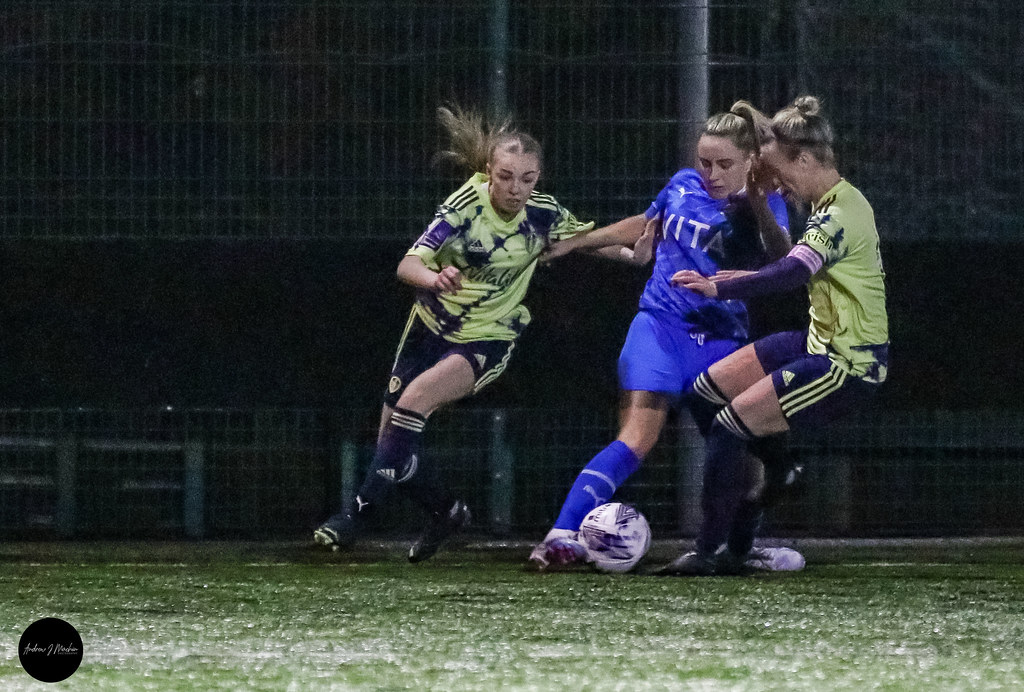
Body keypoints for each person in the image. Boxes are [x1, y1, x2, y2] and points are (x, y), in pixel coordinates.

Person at [313, 105, 596, 562]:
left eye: (527, 178)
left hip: (489, 335)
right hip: (427, 328)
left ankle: (356, 517)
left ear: (538, 177)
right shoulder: (463, 207)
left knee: (415, 401)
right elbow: (408, 265)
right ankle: (447, 511)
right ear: (489, 172)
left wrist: (635, 250)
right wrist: (435, 278)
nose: (516, 188)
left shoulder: (542, 214)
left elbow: (587, 239)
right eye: (506, 176)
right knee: (393, 451)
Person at [528, 101, 800, 571]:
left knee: (741, 451)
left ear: (750, 163)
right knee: (637, 436)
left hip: (721, 339)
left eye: (724, 164)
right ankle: (560, 536)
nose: (711, 173)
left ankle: (737, 550)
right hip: (660, 326)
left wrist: (756, 202)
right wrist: (578, 241)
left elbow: (782, 257)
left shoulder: (766, 203)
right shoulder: (682, 185)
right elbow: (645, 226)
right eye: (705, 162)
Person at [659, 95, 889, 576]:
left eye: (783, 174)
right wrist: (759, 192)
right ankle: (780, 473)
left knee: (728, 426)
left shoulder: (841, 213)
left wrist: (718, 285)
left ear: (805, 159)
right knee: (703, 395)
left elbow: (787, 274)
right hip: (815, 342)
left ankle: (713, 550)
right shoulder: (828, 201)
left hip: (847, 365)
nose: (780, 184)